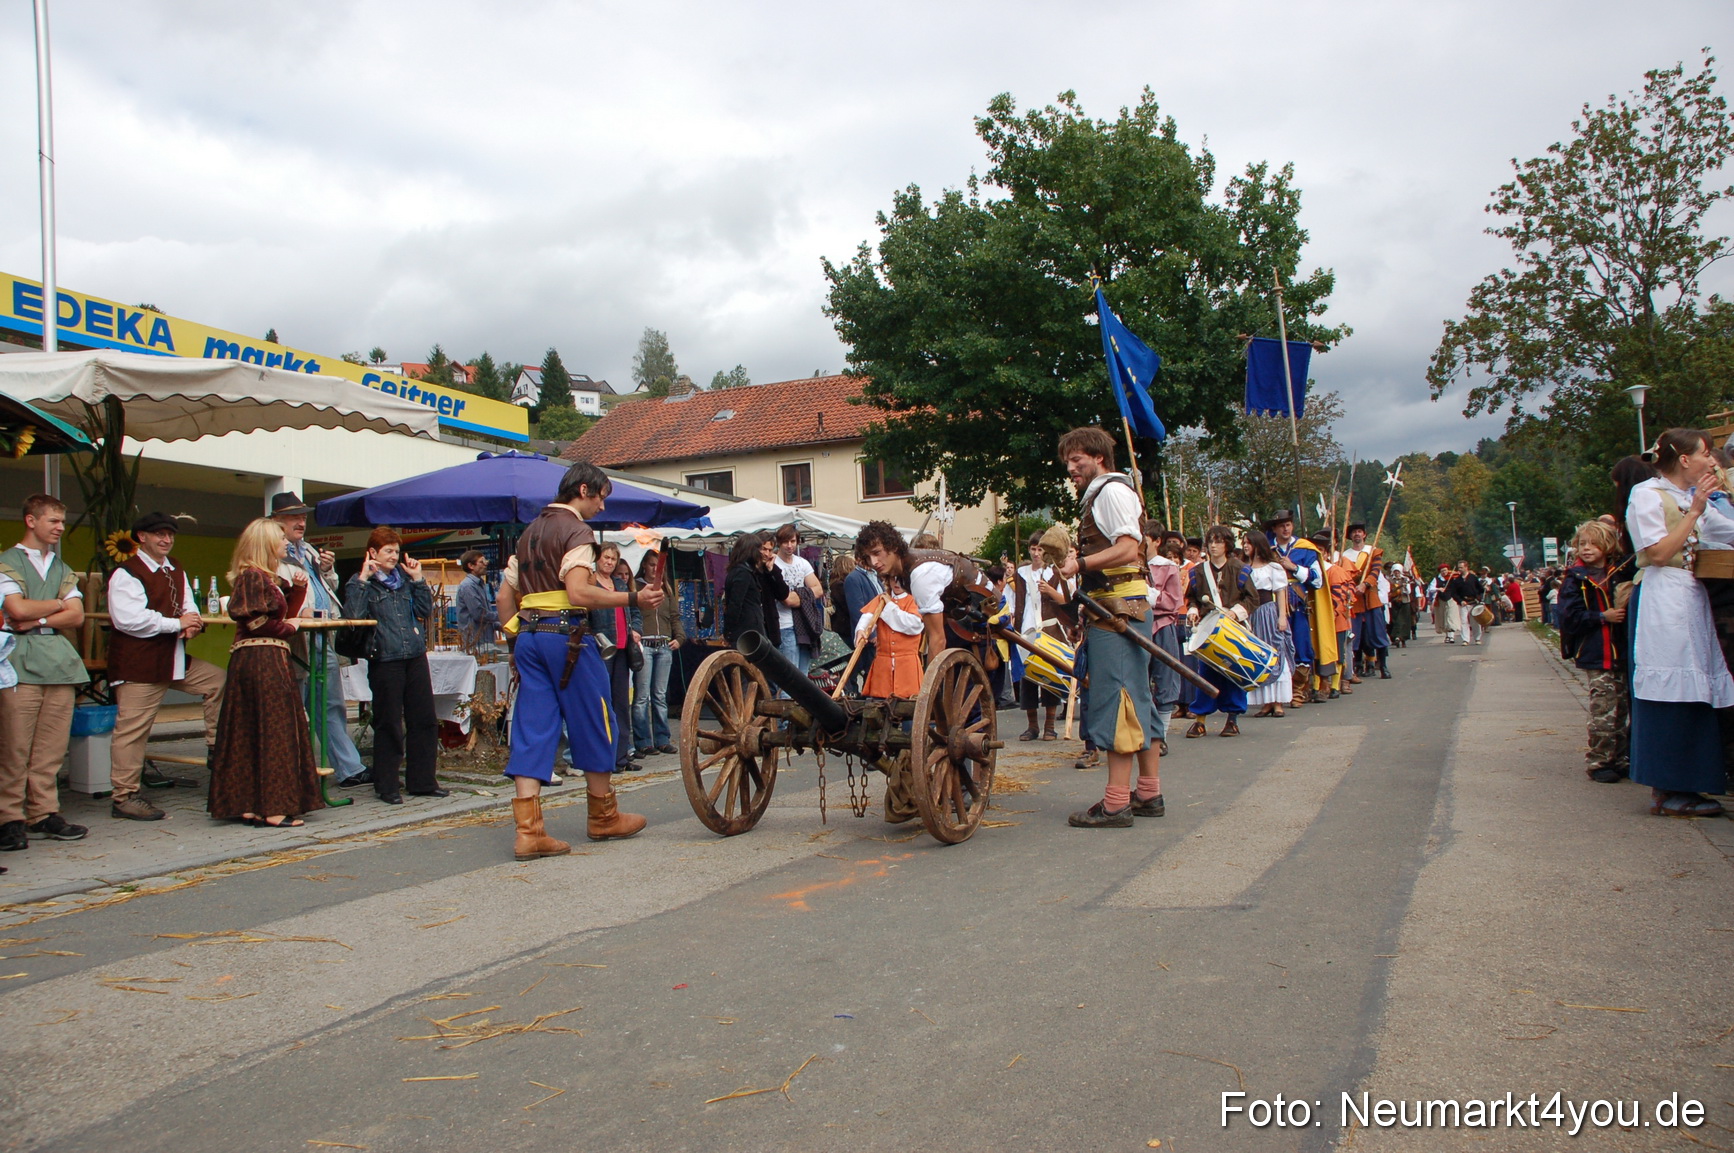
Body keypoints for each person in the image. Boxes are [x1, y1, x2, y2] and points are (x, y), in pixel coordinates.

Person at [497, 461, 660, 858]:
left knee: (533, 725)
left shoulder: (528, 533)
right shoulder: (576, 531)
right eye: (601, 497)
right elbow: (578, 593)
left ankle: (528, 832)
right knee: (595, 717)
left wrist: (516, 641)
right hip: (566, 636)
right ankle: (603, 817)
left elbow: (503, 598)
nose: (602, 506)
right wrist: (633, 598)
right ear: (584, 490)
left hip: (529, 636)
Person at [1048, 428, 1162, 827]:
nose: (1071, 468)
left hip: (1118, 611)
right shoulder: (1106, 493)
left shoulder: (1110, 491)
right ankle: (1148, 792)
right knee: (1138, 698)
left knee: (1119, 702)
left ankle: (1116, 804)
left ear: (1098, 458)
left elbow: (1129, 548)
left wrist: (1078, 564)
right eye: (1068, 462)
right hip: (1119, 607)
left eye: (1077, 460)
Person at [1625, 428, 1733, 817]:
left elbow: (1727, 531)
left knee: (1695, 688)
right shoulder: (1647, 495)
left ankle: (1690, 781)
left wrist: (1700, 507)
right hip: (1661, 598)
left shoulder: (1688, 497)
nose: (1711, 461)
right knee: (1668, 689)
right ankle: (1667, 786)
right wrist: (1696, 511)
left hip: (1688, 596)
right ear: (1684, 460)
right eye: (1705, 454)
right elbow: (1657, 553)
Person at [107, 512, 226, 822]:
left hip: (172, 658)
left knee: (217, 680)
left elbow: (188, 605)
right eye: (159, 534)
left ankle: (216, 747)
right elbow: (129, 619)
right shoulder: (126, 573)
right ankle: (124, 797)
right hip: (139, 663)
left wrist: (192, 622)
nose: (166, 539)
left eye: (170, 534)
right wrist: (177, 624)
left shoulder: (174, 568)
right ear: (141, 537)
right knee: (132, 730)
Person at [207, 518, 325, 828]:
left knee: (252, 730)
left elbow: (282, 612)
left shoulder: (263, 578)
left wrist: (298, 590)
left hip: (262, 658)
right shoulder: (253, 577)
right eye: (280, 538)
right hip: (261, 660)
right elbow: (258, 623)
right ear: (266, 543)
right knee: (274, 731)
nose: (285, 542)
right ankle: (273, 808)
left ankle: (249, 804)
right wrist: (290, 628)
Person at [0, 495, 89, 849]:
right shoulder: (7, 561)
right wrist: (57, 604)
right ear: (30, 520)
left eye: (62, 521)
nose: (60, 528)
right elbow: (16, 609)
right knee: (14, 745)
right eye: (53, 521)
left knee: (50, 748)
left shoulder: (61, 566)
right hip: (18, 662)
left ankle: (43, 812)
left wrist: (39, 618)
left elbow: (77, 615)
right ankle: (9, 817)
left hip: (58, 662)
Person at [342, 526, 444, 804]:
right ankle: (387, 785)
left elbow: (425, 611)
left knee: (424, 719)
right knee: (388, 723)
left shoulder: (406, 580)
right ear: (372, 552)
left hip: (414, 655)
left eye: (396, 551)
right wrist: (363, 579)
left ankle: (423, 782)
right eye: (388, 551)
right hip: (385, 658)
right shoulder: (360, 582)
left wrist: (419, 579)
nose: (393, 556)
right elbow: (353, 617)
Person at [273, 492, 368, 789]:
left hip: (322, 634)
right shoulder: (272, 552)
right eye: (293, 517)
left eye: (303, 516)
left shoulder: (309, 550)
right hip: (295, 636)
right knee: (292, 707)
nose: (301, 522)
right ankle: (288, 773)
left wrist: (326, 569)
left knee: (330, 703)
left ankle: (349, 769)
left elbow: (329, 587)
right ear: (276, 521)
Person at [1557, 519, 1630, 784]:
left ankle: (1620, 758)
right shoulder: (1575, 579)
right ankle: (1599, 761)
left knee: (1622, 709)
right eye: (1582, 544)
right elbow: (1568, 617)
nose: (1586, 548)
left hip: (1621, 652)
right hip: (1596, 653)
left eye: (1593, 543)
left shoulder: (1620, 572)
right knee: (1604, 709)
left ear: (1607, 545)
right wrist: (1601, 616)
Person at [1183, 524, 1251, 736]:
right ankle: (1200, 720)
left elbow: (1252, 598)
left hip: (1233, 628)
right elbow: (1192, 598)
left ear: (1227, 545)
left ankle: (1232, 719)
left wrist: (1235, 613)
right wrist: (1193, 610)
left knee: (1233, 672)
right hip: (1208, 627)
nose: (1214, 546)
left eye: (1219, 542)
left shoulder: (1239, 569)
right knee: (1206, 674)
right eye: (1211, 541)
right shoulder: (1198, 571)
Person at [1267, 511, 1327, 707]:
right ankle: (1275, 694)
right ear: (1274, 528)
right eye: (1281, 525)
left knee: (1301, 645)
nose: (1285, 529)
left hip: (1297, 606)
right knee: (1274, 648)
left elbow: (1317, 580)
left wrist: (1294, 567)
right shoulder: (1266, 549)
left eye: (1288, 525)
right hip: (1272, 607)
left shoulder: (1305, 549)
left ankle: (1298, 691)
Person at [630, 550, 683, 757]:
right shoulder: (636, 587)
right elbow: (632, 614)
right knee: (642, 696)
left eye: (658, 565)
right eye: (651, 564)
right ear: (644, 565)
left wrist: (679, 637)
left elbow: (674, 616)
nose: (655, 568)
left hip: (663, 645)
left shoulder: (666, 588)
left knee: (660, 696)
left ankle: (662, 739)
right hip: (644, 644)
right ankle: (643, 741)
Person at [1014, 534, 1067, 741]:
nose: (1036, 554)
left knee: (1049, 675)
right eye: (1033, 549)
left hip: (1049, 629)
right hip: (1027, 629)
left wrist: (1050, 590)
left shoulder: (1055, 573)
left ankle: (1050, 726)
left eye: (1040, 549)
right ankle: (1032, 726)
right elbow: (1018, 602)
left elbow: (1065, 601)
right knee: (1028, 676)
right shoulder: (1021, 573)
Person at [592, 545, 638, 771]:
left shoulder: (620, 584)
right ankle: (604, 757)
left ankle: (621, 757)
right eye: (606, 558)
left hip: (622, 649)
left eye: (613, 558)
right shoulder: (591, 584)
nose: (609, 562)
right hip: (602, 649)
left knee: (621, 703)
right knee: (602, 704)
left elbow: (635, 610)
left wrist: (635, 629)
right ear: (597, 559)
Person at [1144, 518, 1187, 752]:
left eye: (1144, 541)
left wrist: (1150, 594)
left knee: (1166, 679)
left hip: (1161, 627)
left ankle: (1161, 737)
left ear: (1157, 541)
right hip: (1137, 627)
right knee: (1139, 681)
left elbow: (1173, 601)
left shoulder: (1168, 567)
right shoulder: (1131, 565)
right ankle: (1143, 735)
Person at [1243, 530, 1294, 718]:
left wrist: (1282, 617)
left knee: (1276, 652)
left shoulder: (1273, 567)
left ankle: (1278, 702)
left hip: (1268, 612)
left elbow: (1280, 592)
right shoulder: (1244, 568)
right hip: (1251, 615)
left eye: (1249, 543)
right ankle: (1266, 702)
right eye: (1244, 543)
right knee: (1258, 656)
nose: (1245, 546)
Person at [771, 524, 824, 676]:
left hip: (804, 623)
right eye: (785, 542)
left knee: (803, 675)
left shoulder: (802, 562)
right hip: (784, 625)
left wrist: (797, 596)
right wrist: (805, 596)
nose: (789, 545)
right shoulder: (773, 564)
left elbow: (819, 590)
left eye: (793, 541)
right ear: (779, 542)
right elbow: (786, 600)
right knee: (790, 675)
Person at [454, 549, 500, 651]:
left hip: (485, 641)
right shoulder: (468, 586)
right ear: (471, 566)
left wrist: (499, 626)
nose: (485, 564)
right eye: (481, 562)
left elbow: (486, 616)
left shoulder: (480, 585)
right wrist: (502, 616)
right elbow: (479, 614)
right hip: (475, 644)